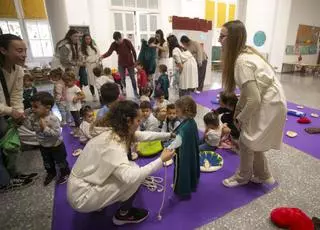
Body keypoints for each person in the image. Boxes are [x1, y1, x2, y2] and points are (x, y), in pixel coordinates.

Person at [67, 100, 175, 226]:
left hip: (79, 185)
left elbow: (143, 135)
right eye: (138, 121)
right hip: (81, 196)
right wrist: (161, 160)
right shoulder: (114, 146)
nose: (139, 124)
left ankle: (100, 203)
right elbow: (131, 177)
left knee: (129, 169)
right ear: (128, 121)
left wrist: (168, 135)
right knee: (134, 174)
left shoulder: (112, 131)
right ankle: (123, 214)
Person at [219, 20, 286, 188]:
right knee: (252, 139)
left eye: (222, 36)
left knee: (246, 139)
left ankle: (243, 176)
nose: (219, 40)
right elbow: (247, 93)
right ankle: (264, 175)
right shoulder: (245, 55)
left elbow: (253, 99)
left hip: (268, 102)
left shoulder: (241, 62)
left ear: (232, 38)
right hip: (272, 99)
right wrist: (239, 112)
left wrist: (241, 118)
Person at [0, 34, 37, 192]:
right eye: (19, 50)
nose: (24, 54)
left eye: (25, 50)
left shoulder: (18, 69)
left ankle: (12, 175)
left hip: (4, 112)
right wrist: (10, 111)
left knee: (9, 144)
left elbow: (16, 94)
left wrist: (19, 112)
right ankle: (4, 182)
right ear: (3, 50)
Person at [23, 92, 70, 186]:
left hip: (56, 146)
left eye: (35, 107)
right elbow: (32, 128)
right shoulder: (34, 117)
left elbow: (56, 134)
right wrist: (23, 120)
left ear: (47, 108)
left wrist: (45, 128)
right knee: (47, 162)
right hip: (43, 145)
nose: (32, 109)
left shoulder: (53, 119)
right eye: (31, 106)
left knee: (61, 161)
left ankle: (65, 173)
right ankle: (51, 173)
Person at [173, 96, 200, 197]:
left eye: (177, 111)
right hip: (191, 152)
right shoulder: (191, 122)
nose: (176, 113)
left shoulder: (185, 128)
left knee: (183, 169)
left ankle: (183, 189)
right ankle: (192, 183)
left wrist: (171, 147)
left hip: (184, 155)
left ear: (185, 112)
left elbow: (180, 143)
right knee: (191, 165)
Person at [101, 32, 138, 97]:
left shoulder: (127, 41)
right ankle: (124, 91)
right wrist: (102, 56)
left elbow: (133, 50)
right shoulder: (114, 44)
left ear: (121, 38)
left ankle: (135, 92)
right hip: (121, 64)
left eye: (119, 40)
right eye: (116, 40)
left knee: (133, 78)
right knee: (122, 78)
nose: (118, 42)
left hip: (130, 63)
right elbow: (109, 52)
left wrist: (136, 61)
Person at [64, 71, 85, 137]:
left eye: (68, 82)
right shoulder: (68, 87)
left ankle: (81, 131)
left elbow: (83, 96)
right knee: (75, 119)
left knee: (77, 120)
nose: (67, 83)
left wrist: (77, 97)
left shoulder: (76, 88)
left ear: (73, 80)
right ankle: (77, 129)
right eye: (65, 82)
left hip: (75, 107)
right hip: (71, 107)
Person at [81, 34, 100, 100]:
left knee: (98, 80)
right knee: (91, 81)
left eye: (89, 38)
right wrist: (92, 58)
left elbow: (98, 55)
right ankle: (93, 95)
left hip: (96, 65)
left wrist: (95, 59)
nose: (88, 40)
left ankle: (100, 94)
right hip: (89, 67)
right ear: (84, 40)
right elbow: (84, 59)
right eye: (86, 39)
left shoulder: (95, 47)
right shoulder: (82, 49)